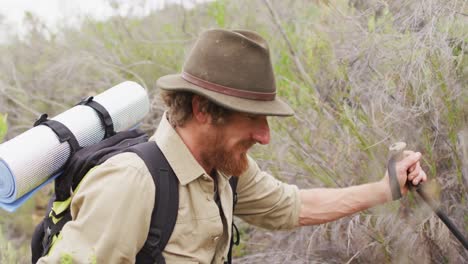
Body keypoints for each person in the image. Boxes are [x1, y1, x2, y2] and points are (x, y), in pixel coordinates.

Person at [38, 29, 427, 263]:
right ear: (203, 109)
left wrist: (386, 188)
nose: (265, 136)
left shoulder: (225, 167)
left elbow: (293, 206)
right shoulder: (131, 184)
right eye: (253, 118)